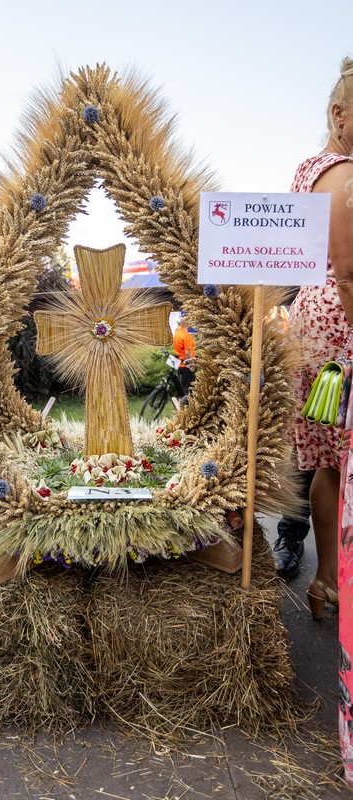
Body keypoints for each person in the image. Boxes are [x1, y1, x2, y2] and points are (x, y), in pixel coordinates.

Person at [287, 56, 353, 783]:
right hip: (338, 343)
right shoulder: (333, 168)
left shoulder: (316, 167)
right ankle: (331, 584)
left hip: (323, 340)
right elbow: (343, 270)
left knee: (330, 458)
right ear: (339, 115)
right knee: (334, 457)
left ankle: (325, 585)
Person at [172, 316, 196, 394]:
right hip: (186, 364)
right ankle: (186, 404)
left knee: (183, 386)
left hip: (179, 363)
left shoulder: (177, 333)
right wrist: (192, 365)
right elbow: (187, 352)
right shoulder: (186, 336)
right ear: (188, 324)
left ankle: (182, 401)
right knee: (189, 389)